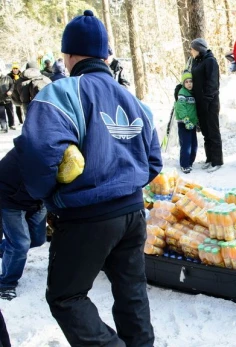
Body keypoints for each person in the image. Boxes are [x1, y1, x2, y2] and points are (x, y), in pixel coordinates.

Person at [14, 10, 161, 345]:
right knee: (131, 290)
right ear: (105, 55)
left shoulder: (62, 93)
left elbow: (38, 155)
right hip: (132, 214)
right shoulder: (134, 100)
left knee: (66, 297)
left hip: (85, 215)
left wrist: (49, 193)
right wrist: (127, 183)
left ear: (70, 55)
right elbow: (153, 161)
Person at [0, 149, 47, 300]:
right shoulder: (31, 148)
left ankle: (7, 250)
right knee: (20, 244)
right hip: (10, 200)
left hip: (37, 200)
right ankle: (6, 283)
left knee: (38, 239)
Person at [190, 38, 224, 173]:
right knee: (205, 132)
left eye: (192, 48)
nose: (191, 51)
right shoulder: (196, 61)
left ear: (198, 49)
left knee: (213, 131)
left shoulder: (210, 61)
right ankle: (209, 158)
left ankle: (217, 160)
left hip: (210, 103)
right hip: (200, 102)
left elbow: (212, 83)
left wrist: (207, 100)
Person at [175, 71, 199, 174]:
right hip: (184, 123)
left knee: (194, 145)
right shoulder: (182, 93)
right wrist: (186, 120)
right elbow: (180, 108)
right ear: (183, 83)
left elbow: (194, 109)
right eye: (187, 82)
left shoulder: (192, 93)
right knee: (186, 145)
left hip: (192, 123)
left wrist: (196, 122)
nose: (189, 84)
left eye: (191, 81)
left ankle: (190, 162)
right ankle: (184, 164)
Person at [0, 68, 13, 132]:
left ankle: (11, 124)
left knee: (10, 113)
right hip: (0, 100)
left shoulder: (7, 78)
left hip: (7, 98)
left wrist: (10, 91)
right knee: (1, 114)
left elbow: (12, 85)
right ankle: (4, 127)